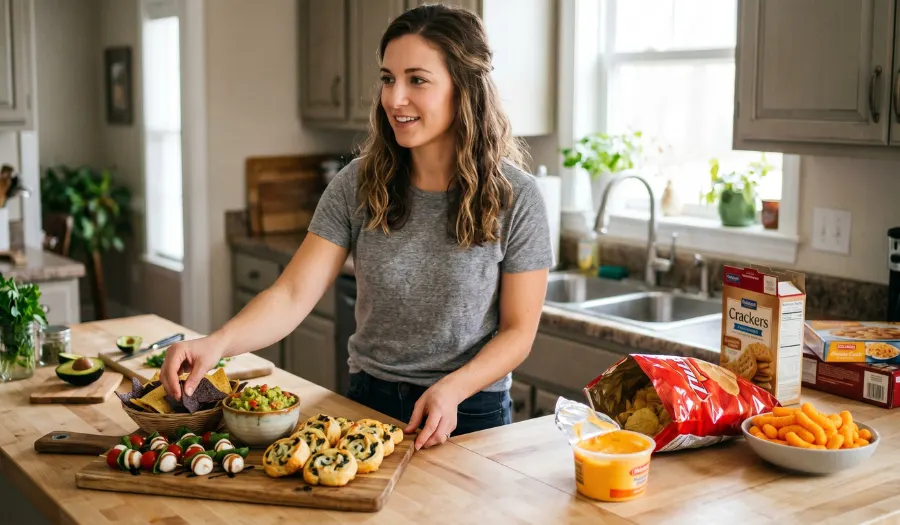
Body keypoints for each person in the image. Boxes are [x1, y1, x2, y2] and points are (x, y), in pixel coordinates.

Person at [160, 4, 552, 450]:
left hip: (468, 409)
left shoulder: (516, 197)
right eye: (388, 78)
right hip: (370, 401)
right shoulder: (359, 184)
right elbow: (291, 295)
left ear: (465, 88)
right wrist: (218, 343)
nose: (394, 97)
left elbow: (518, 331)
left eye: (416, 80)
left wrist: (453, 388)